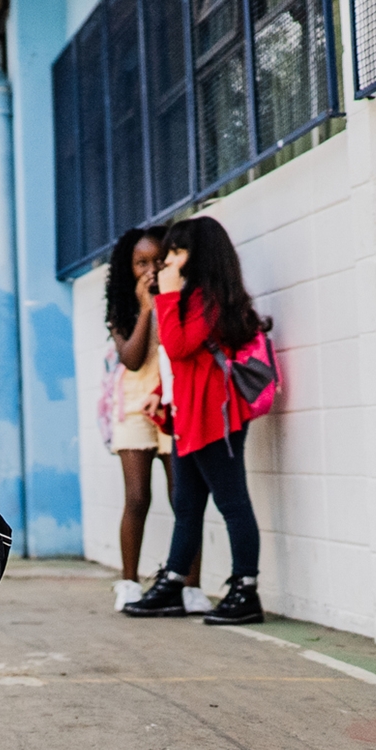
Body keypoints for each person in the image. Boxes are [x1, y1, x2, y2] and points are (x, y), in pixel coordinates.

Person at [123, 215, 268, 624]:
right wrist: (158, 396)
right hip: (187, 417)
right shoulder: (187, 300)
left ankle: (246, 589)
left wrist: (166, 298)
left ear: (199, 257)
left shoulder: (209, 299)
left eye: (177, 252)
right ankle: (172, 582)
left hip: (214, 418)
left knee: (232, 502)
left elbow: (180, 346)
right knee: (186, 504)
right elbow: (177, 367)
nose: (167, 261)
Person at [101, 227, 202, 614]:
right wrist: (146, 307)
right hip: (134, 405)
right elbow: (131, 358)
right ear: (129, 269)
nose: (150, 269)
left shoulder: (183, 297)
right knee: (138, 496)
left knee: (184, 498)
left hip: (175, 406)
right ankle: (129, 582)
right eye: (141, 263)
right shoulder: (123, 307)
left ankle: (190, 586)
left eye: (157, 261)